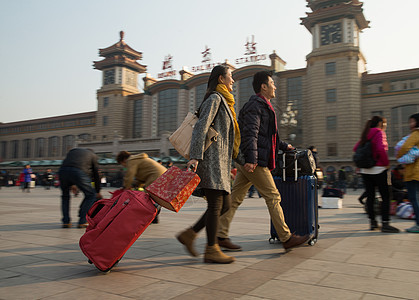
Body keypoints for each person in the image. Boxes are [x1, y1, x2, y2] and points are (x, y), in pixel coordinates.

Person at [216, 71, 310, 252]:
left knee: (235, 199)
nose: (275, 86)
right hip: (255, 161)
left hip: (248, 160)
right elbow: (251, 134)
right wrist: (252, 160)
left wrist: (284, 146)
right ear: (263, 86)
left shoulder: (263, 105)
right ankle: (286, 237)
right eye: (272, 83)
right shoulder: (256, 105)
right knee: (273, 196)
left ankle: (220, 235)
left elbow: (268, 137)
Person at [176, 65, 238, 264]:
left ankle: (190, 234)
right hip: (210, 159)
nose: (233, 81)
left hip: (220, 162)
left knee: (224, 204)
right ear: (221, 79)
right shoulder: (215, 99)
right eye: (230, 77)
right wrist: (195, 156)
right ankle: (211, 249)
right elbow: (201, 126)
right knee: (216, 205)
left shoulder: (225, 102)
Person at [353, 116, 399, 233]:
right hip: (379, 169)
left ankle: (373, 223)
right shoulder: (379, 132)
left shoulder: (366, 133)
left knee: (371, 197)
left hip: (365, 171)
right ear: (380, 123)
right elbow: (380, 149)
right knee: (386, 196)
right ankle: (385, 223)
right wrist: (386, 163)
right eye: (384, 124)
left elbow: (355, 148)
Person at [116, 150, 167, 224]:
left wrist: (126, 188)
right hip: (165, 175)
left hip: (156, 176)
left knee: (148, 199)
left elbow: (129, 175)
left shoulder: (131, 160)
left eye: (122, 164)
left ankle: (152, 218)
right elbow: (142, 176)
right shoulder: (138, 159)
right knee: (155, 199)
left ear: (123, 160)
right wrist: (137, 184)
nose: (124, 166)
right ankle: (154, 218)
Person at [58, 148, 103, 228]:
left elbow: (69, 167)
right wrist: (97, 191)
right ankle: (82, 221)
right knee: (91, 195)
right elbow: (96, 174)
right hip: (79, 172)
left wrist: (72, 184)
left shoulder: (73, 151)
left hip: (62, 171)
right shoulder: (93, 156)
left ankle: (66, 222)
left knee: (65, 197)